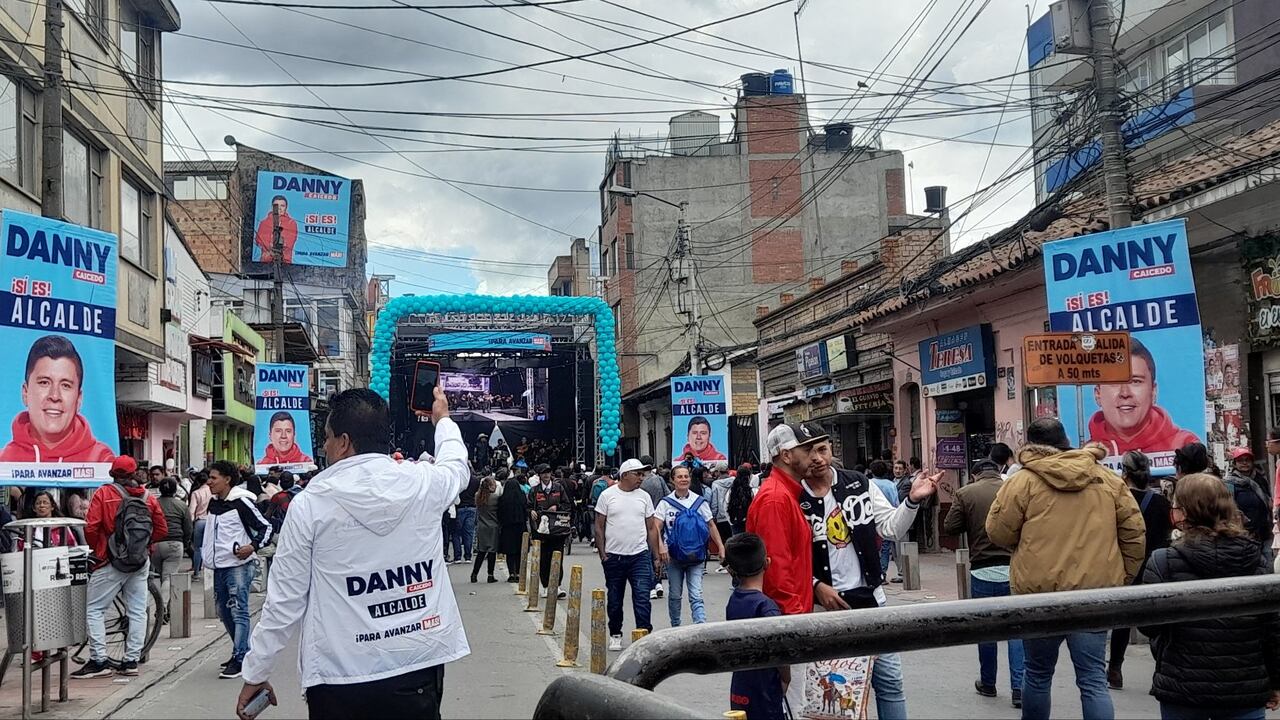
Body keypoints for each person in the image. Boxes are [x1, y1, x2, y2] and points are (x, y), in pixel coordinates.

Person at [237, 387, 471, 720]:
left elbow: (284, 603)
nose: (324, 446)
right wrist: (443, 420)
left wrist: (256, 673)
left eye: (328, 438)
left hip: (340, 677)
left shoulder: (310, 505)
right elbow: (456, 466)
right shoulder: (423, 483)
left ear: (344, 442)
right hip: (415, 665)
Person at [986, 417, 1145, 720]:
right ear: (1065, 440)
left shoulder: (1022, 482)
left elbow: (998, 532)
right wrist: (1121, 577)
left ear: (1030, 445)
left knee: (1036, 674)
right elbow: (1134, 534)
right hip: (1094, 595)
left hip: (1038, 596)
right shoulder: (1108, 479)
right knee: (1093, 680)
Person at [804, 435, 937, 720]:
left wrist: (912, 500)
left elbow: (890, 527)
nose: (816, 457)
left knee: (889, 681)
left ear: (831, 450)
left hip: (871, 601)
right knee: (840, 691)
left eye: (822, 449)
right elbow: (786, 558)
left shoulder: (859, 484)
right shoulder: (794, 495)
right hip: (825, 608)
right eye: (808, 451)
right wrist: (815, 585)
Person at [1136, 473, 1280, 720]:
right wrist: (1275, 681)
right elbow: (1272, 629)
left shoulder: (1163, 561)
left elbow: (1149, 626)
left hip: (1182, 687)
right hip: (1244, 688)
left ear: (1183, 513)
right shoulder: (1256, 558)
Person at [72, 455, 168, 679]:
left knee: (94, 610)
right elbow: (162, 529)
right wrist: (144, 546)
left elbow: (92, 528)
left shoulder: (104, 494)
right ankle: (131, 660)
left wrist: (101, 551)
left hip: (110, 561)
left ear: (112, 473)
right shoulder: (148, 497)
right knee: (137, 609)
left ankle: (99, 660)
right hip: (140, 561)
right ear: (135, 473)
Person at [945, 456, 1022, 708]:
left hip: (982, 570)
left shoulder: (966, 492)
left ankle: (988, 683)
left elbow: (950, 527)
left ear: (975, 475)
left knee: (986, 630)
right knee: (1017, 631)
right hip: (1015, 569)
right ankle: (1019, 687)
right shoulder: (1016, 487)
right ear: (998, 471)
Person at [1107, 450, 1172, 690]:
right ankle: (1160, 671)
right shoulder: (1162, 503)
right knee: (1156, 623)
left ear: (1125, 473)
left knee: (1122, 621)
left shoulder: (1117, 501)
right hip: (1156, 568)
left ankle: (1115, 669)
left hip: (1126, 567)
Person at [747, 423, 827, 617]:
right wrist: (795, 622)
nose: (815, 458)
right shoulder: (776, 499)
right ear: (786, 456)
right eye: (807, 450)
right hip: (787, 619)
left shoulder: (785, 494)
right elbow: (777, 573)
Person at [204, 459, 273, 680]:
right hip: (218, 566)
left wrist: (251, 547)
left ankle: (241, 657)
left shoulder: (242, 503)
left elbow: (266, 527)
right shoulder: (214, 504)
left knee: (238, 610)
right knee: (223, 611)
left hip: (239, 567)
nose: (209, 482)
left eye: (214, 478)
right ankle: (243, 651)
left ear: (227, 479)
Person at [0, 335, 114, 463]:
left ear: (79, 399)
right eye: (44, 382)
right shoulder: (4, 461)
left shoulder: (103, 462)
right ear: (25, 393)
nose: (54, 396)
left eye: (65, 385)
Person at [1087, 338, 1198, 456]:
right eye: (1115, 382)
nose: (1125, 393)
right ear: (1098, 394)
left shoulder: (1185, 446)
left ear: (1153, 391)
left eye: (1135, 381)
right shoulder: (1086, 457)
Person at [594, 458, 660, 651]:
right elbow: (599, 526)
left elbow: (651, 528)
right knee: (615, 599)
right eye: (637, 474)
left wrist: (655, 555)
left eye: (643, 474)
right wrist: (603, 554)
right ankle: (615, 632)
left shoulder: (644, 497)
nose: (641, 478)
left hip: (639, 555)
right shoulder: (608, 495)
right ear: (624, 475)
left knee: (642, 597)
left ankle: (643, 634)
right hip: (614, 556)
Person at [724, 532, 788, 720]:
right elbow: (781, 648)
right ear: (767, 562)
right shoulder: (766, 606)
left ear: (730, 570)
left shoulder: (733, 600)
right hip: (765, 688)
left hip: (740, 686)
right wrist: (786, 677)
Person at [655, 464, 724, 626]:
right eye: (679, 476)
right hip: (672, 556)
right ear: (672, 480)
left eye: (686, 476)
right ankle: (675, 627)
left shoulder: (699, 502)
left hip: (696, 556)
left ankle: (700, 627)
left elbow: (711, 525)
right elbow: (656, 527)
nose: (683, 479)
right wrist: (660, 546)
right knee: (674, 595)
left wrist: (720, 546)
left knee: (696, 595)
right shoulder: (666, 503)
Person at [153, 478, 192, 623]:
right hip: (175, 543)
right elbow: (188, 527)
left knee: (161, 578)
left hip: (155, 544)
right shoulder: (181, 505)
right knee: (169, 577)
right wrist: (186, 543)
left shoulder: (153, 503)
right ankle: (161, 607)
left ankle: (166, 607)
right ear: (176, 490)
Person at [528, 469, 570, 598]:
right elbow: (528, 505)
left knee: (557, 558)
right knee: (544, 559)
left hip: (557, 530)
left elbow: (567, 505)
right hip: (541, 531)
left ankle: (557, 586)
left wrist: (557, 507)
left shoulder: (559, 488)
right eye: (543, 473)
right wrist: (531, 511)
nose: (546, 475)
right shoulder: (534, 490)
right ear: (540, 476)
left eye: (548, 473)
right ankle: (546, 586)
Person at [1224, 448, 1273, 555]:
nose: (1244, 463)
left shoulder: (1260, 480)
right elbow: (1229, 510)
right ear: (1235, 463)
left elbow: (1268, 500)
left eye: (1247, 460)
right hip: (1244, 535)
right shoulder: (1230, 484)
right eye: (1241, 460)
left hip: (1264, 532)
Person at [867, 460, 902, 584]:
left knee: (873, 548)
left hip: (871, 520)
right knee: (886, 547)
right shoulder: (891, 485)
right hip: (887, 518)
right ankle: (882, 573)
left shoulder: (868, 484)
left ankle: (876, 572)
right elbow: (896, 502)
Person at [471, 471, 502, 583]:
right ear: (490, 486)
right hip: (493, 526)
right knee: (492, 551)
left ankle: (474, 574)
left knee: (481, 551)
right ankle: (490, 575)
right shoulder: (495, 498)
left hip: (481, 526)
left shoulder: (478, 496)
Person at [497, 468, 527, 582]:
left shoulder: (503, 499)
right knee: (519, 551)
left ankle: (511, 573)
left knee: (510, 552)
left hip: (507, 528)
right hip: (520, 527)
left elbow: (499, 514)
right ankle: (519, 573)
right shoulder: (522, 497)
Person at [254, 194, 298, 264]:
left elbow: (289, 244)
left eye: (282, 206)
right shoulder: (264, 223)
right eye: (276, 205)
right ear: (272, 207)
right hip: (265, 262)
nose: (279, 208)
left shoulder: (291, 223)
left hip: (284, 263)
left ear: (286, 208)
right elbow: (259, 241)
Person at [189, 470, 212, 576]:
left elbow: (191, 511)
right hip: (211, 521)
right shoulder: (213, 491)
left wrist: (190, 524)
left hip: (199, 522)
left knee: (198, 548)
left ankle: (197, 572)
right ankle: (209, 572)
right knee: (210, 547)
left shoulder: (196, 493)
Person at [456, 469, 480, 564]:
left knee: (456, 533)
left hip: (460, 507)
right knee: (469, 533)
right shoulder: (475, 481)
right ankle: (468, 556)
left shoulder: (459, 480)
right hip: (471, 507)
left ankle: (457, 556)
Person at [710, 467, 735, 552]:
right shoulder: (734, 481)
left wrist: (713, 515)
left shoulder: (715, 484)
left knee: (723, 540)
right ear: (727, 471)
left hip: (721, 516)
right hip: (732, 515)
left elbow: (714, 502)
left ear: (718, 472)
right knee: (733, 539)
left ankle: (725, 559)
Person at [727, 464, 754, 537]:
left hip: (735, 521)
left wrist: (730, 521)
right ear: (748, 477)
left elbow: (726, 505)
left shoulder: (732, 490)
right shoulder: (751, 491)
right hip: (749, 522)